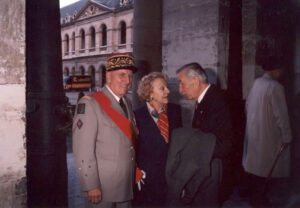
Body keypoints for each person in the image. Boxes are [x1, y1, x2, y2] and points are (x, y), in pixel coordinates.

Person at [72, 53, 139, 208]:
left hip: (125, 182)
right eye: (121, 75)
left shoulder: (127, 102)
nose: (127, 81)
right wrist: (91, 184)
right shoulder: (90, 104)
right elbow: (83, 149)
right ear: (108, 77)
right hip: (103, 185)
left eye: (130, 76)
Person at [176, 62, 233, 206]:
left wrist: (192, 150)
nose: (180, 90)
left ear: (195, 81)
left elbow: (225, 144)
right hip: (206, 166)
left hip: (211, 170)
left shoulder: (218, 101)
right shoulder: (206, 99)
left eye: (182, 84)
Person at [242, 56, 292, 206]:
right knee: (266, 169)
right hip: (269, 135)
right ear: (276, 70)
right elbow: (281, 115)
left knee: (257, 169)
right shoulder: (276, 86)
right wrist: (287, 137)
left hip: (256, 132)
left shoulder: (257, 83)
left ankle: (256, 197)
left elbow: (247, 107)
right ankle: (259, 201)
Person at [133, 72, 182, 207]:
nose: (168, 91)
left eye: (167, 87)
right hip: (147, 181)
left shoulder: (176, 111)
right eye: (162, 88)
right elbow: (132, 150)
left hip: (172, 180)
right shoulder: (136, 116)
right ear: (150, 93)